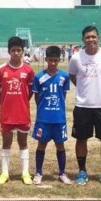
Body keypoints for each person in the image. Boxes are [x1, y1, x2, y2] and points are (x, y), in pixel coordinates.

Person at [69, 25, 101, 186]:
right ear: (83, 39)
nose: (91, 39)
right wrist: (85, 91)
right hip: (83, 106)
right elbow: (72, 76)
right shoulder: (76, 58)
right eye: (87, 37)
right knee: (81, 139)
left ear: (98, 38)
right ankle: (82, 171)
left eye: (93, 36)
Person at [0, 36, 35, 185]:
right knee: (6, 142)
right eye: (13, 50)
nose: (16, 53)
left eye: (19, 50)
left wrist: (22, 101)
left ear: (23, 51)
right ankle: (5, 173)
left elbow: (30, 91)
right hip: (7, 114)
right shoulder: (1, 70)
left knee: (23, 142)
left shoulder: (28, 70)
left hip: (22, 113)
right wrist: (5, 103)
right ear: (9, 52)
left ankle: (25, 173)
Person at [31, 46, 72, 185]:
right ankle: (38, 172)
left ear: (59, 60)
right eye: (50, 60)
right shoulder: (39, 77)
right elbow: (37, 98)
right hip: (44, 118)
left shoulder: (64, 76)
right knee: (41, 144)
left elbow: (63, 96)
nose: (53, 63)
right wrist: (44, 109)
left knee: (60, 145)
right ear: (46, 59)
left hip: (59, 118)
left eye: (55, 60)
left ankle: (62, 173)